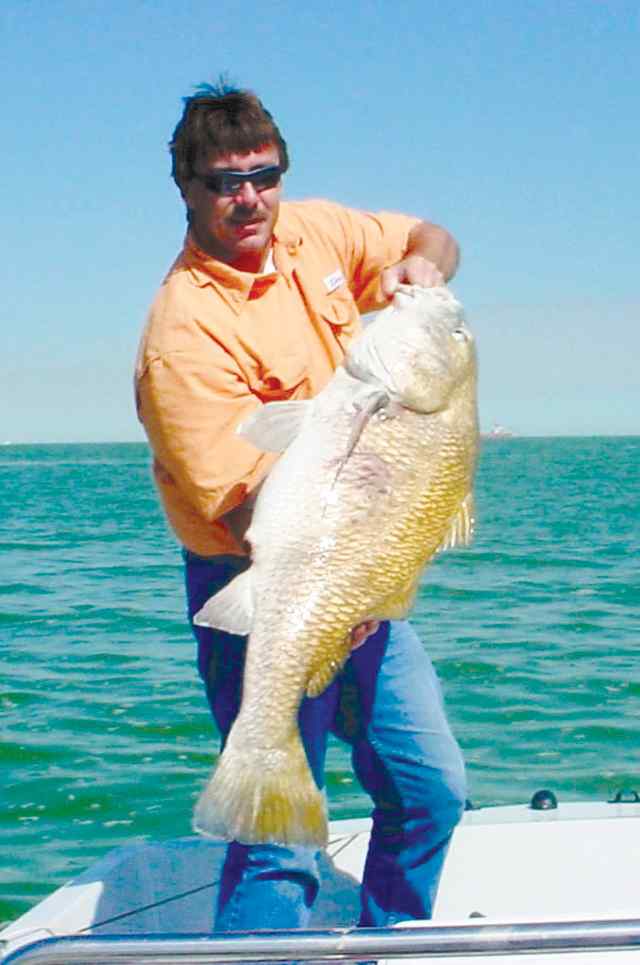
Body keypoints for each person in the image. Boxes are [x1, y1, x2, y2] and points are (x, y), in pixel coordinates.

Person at [135, 81, 467, 932]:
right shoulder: (183, 333)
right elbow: (244, 513)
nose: (249, 198)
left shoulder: (313, 231)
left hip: (355, 573)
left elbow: (431, 235)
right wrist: (339, 588)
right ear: (186, 188)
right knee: (278, 840)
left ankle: (391, 941)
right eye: (224, 181)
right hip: (261, 578)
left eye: (264, 175)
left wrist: (425, 268)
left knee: (431, 790)